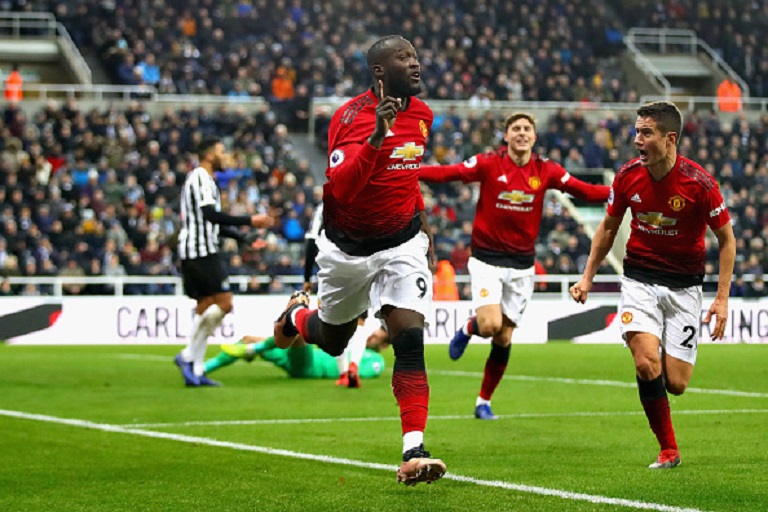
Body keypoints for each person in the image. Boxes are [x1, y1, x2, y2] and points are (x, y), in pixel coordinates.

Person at [272, 35, 445, 485]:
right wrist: (376, 137)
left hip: (401, 245)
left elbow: (407, 179)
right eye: (404, 57)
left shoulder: (424, 115)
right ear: (380, 72)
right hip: (347, 249)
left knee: (409, 335)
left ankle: (414, 450)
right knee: (332, 340)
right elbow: (342, 188)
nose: (416, 62)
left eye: (416, 54)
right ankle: (297, 317)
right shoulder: (350, 118)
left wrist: (424, 227)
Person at [569, 101, 736, 469]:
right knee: (645, 363)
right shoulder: (627, 176)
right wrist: (587, 276)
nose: (636, 140)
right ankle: (669, 449)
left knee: (675, 383)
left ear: (670, 139)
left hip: (685, 287)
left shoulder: (700, 183)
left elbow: (727, 239)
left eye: (646, 133)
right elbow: (608, 228)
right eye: (636, 132)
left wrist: (721, 300)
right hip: (639, 278)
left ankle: (658, 348)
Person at [418, 112, 610, 420]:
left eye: (527, 129)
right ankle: (470, 327)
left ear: (534, 137)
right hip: (487, 259)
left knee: (504, 337)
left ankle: (483, 401)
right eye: (515, 129)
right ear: (506, 136)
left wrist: (621, 194)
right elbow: (448, 173)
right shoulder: (488, 163)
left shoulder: (545, 170)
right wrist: (409, 171)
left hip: (522, 265)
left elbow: (582, 190)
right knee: (491, 325)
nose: (521, 133)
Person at [174, 136, 273, 387]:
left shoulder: (206, 180)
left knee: (206, 306)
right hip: (199, 251)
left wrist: (244, 238)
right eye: (221, 151)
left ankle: (195, 370)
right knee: (225, 303)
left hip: (201, 249)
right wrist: (250, 220)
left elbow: (212, 222)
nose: (225, 156)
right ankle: (187, 356)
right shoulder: (200, 177)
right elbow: (211, 215)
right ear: (209, 155)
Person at [203, 325, 386, 382]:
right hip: (301, 357)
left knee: (298, 332)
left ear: (384, 346)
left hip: (310, 367)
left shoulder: (376, 361)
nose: (372, 336)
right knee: (247, 338)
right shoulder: (356, 343)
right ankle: (202, 369)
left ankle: (252, 350)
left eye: (377, 338)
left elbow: (360, 374)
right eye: (374, 333)